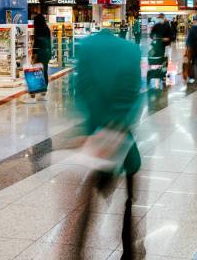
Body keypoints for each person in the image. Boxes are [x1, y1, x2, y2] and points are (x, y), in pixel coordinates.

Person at [70, 28, 142, 260]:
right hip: (123, 138)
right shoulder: (132, 50)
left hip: (95, 139)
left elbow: (81, 91)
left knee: (88, 198)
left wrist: (96, 128)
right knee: (129, 198)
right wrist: (118, 125)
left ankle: (78, 249)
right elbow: (134, 94)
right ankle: (129, 248)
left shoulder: (86, 49)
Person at [33, 13, 52, 93]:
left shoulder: (38, 30)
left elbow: (37, 43)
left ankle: (37, 88)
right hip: (47, 52)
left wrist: (34, 54)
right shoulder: (47, 28)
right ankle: (44, 89)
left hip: (40, 52)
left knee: (37, 71)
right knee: (45, 70)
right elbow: (48, 41)